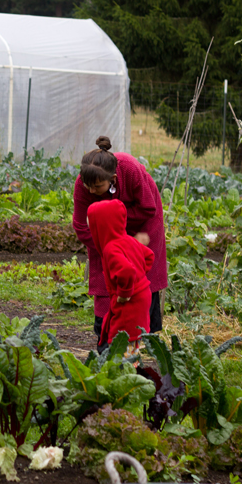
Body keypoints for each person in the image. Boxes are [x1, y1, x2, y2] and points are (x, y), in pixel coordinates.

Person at [72, 136, 167, 344]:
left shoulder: (130, 169)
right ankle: (107, 336)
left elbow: (147, 207)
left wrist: (122, 236)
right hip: (104, 236)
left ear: (113, 179)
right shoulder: (84, 184)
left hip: (143, 224)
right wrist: (107, 244)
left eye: (97, 187)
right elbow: (80, 226)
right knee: (107, 274)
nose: (91, 191)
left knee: (142, 275)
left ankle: (139, 334)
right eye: (88, 186)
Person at [87, 196, 154, 343]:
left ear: (101, 226)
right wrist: (140, 278)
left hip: (129, 300)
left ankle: (125, 365)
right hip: (143, 294)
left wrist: (125, 292)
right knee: (134, 335)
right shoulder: (128, 239)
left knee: (122, 338)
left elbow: (126, 271)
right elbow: (149, 255)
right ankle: (133, 362)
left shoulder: (111, 249)